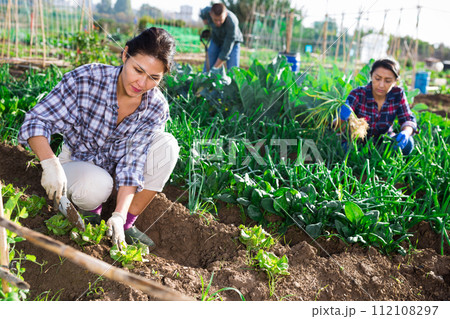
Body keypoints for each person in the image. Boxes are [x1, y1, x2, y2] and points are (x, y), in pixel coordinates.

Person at [18, 27, 180, 249]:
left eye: (153, 78)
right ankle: (89, 212)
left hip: (119, 173)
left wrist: (120, 215)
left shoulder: (155, 106)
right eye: (138, 70)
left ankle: (125, 225)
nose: (141, 84)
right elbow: (37, 120)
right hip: (78, 165)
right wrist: (49, 163)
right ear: (125, 55)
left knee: (167, 146)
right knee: (97, 184)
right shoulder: (87, 79)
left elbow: (134, 161)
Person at [337, 58, 418, 155]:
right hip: (357, 142)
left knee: (408, 143)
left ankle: (384, 157)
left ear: (395, 81)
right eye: (377, 78)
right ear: (371, 76)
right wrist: (341, 118)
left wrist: (406, 132)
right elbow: (338, 129)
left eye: (388, 81)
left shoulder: (398, 94)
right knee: (348, 151)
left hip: (383, 142)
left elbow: (407, 118)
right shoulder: (358, 94)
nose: (381, 85)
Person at [200, 3, 243, 72]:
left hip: (233, 43)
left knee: (233, 71)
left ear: (225, 14)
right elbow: (202, 13)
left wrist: (214, 69)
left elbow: (225, 51)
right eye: (215, 20)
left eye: (220, 20)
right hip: (216, 40)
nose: (218, 22)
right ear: (210, 14)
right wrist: (205, 22)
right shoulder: (206, 12)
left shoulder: (232, 22)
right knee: (207, 68)